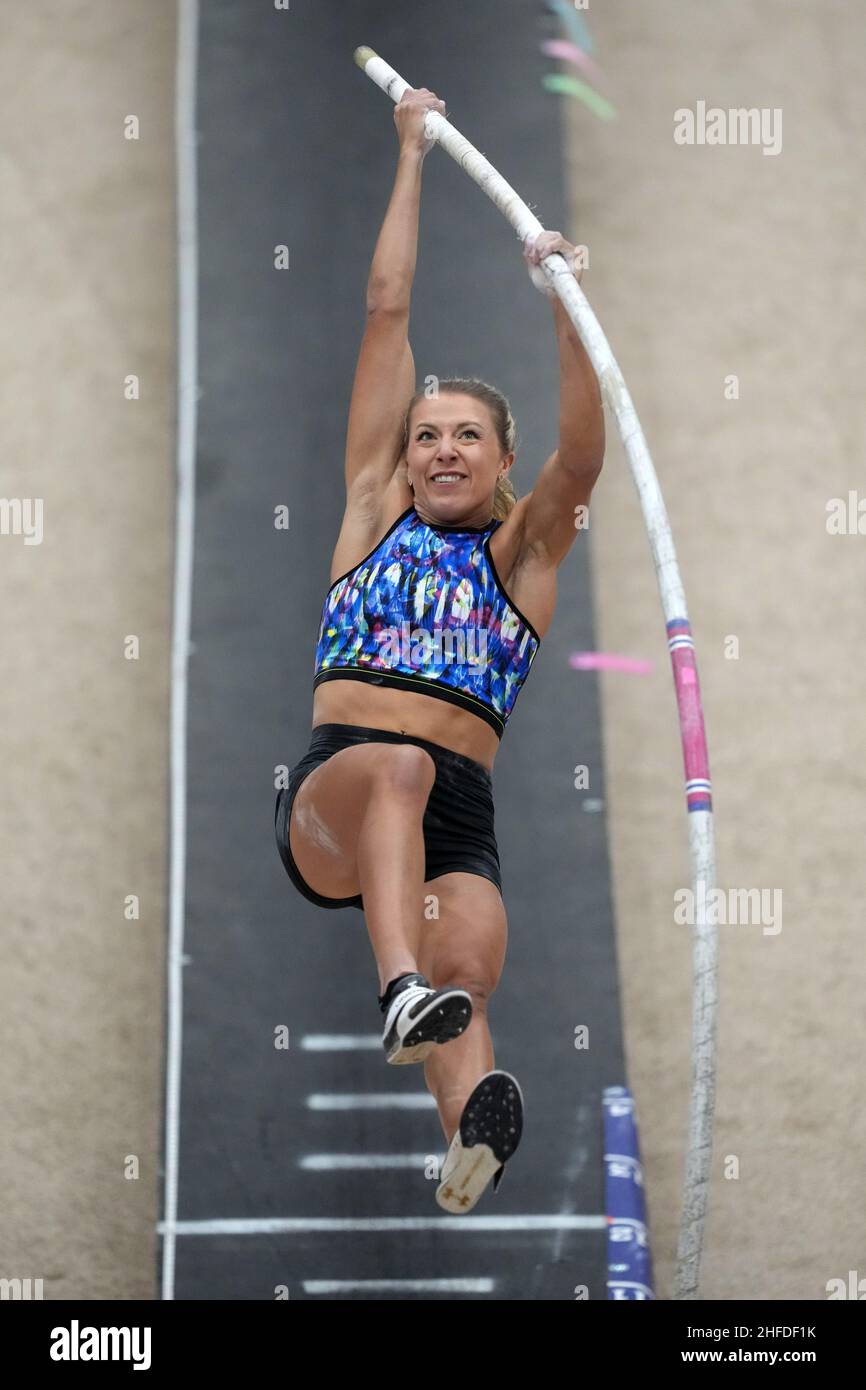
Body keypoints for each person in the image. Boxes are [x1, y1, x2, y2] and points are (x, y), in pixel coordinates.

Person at [274, 86, 605, 1212]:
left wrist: (565, 308)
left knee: (470, 961)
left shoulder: (522, 560)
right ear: (404, 456)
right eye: (427, 434)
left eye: (466, 434)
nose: (441, 447)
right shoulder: (373, 509)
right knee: (402, 775)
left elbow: (582, 455)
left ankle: (466, 1136)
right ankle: (395, 988)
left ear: (498, 452)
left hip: (455, 804)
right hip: (339, 788)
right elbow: (384, 313)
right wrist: (410, 155)